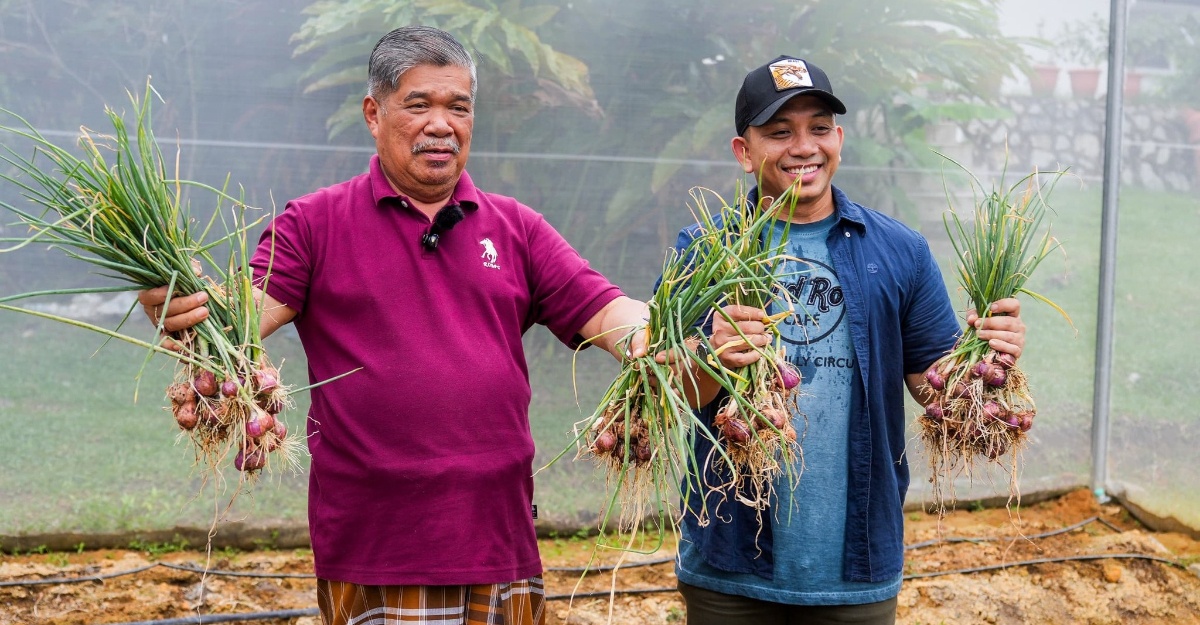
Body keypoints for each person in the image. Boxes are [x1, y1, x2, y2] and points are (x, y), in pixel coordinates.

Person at [139, 26, 650, 625]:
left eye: (459, 107)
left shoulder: (517, 228)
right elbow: (246, 314)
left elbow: (608, 311)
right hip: (380, 546)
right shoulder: (315, 224)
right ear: (373, 114)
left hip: (499, 537)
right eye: (419, 104)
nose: (441, 125)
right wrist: (187, 307)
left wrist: (659, 331)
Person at [669, 56, 1027, 624]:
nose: (803, 147)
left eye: (818, 128)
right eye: (779, 132)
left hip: (856, 570)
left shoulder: (900, 251)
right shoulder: (703, 249)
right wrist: (711, 356)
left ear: (838, 139)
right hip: (729, 566)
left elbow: (934, 390)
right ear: (744, 152)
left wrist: (985, 356)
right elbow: (671, 394)